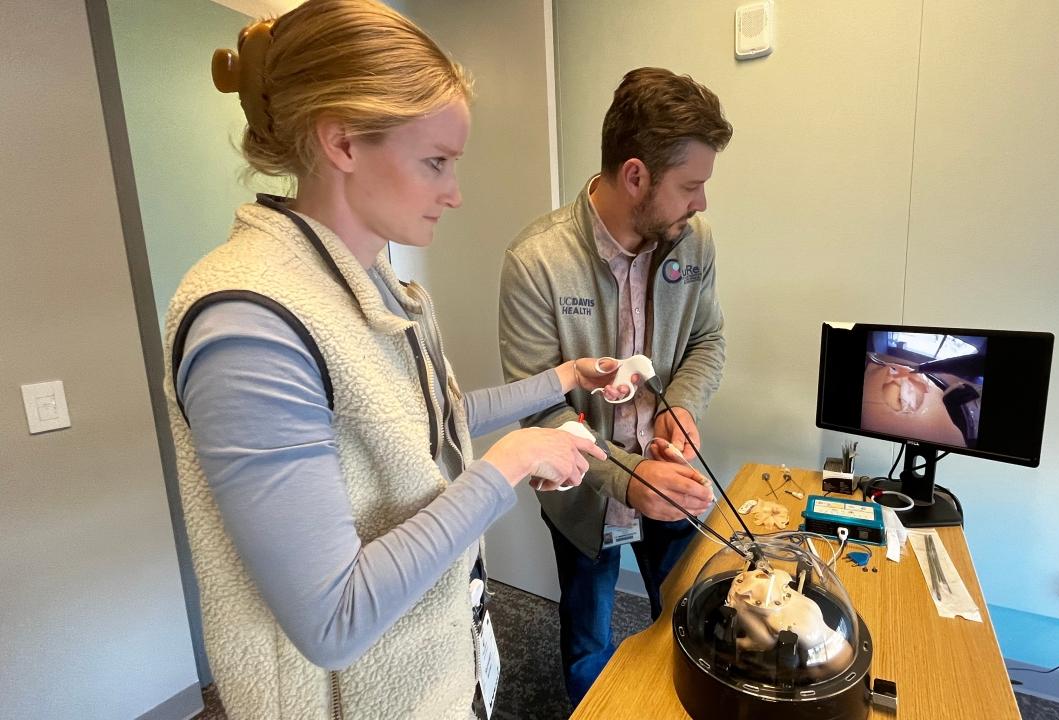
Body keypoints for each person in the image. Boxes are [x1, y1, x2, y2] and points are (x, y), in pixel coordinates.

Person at [163, 2, 633, 717]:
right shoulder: (248, 324)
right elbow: (333, 619)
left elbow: (421, 420)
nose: (455, 192)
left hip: (435, 663)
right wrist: (508, 464)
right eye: (435, 162)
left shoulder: (374, 282)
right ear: (343, 141)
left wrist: (565, 378)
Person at [498, 67, 734, 704]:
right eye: (691, 186)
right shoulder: (537, 262)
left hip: (674, 474)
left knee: (691, 630)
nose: (702, 203)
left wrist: (682, 405)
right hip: (584, 494)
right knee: (588, 647)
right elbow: (539, 411)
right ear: (636, 176)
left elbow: (707, 340)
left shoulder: (693, 241)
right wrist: (626, 477)